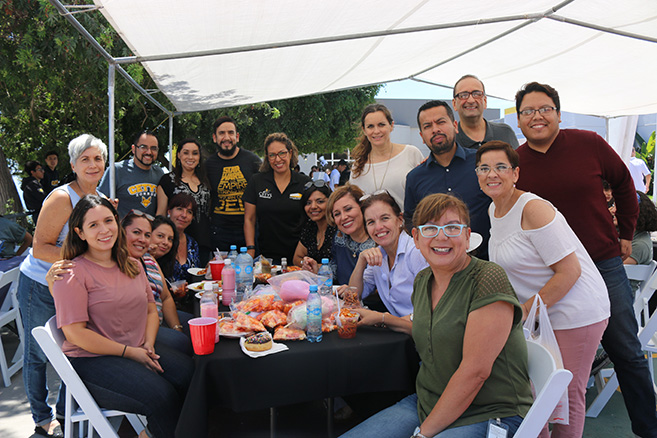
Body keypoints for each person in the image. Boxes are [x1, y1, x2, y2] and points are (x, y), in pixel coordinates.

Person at [514, 81, 657, 437]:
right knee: (546, 358)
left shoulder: (589, 144)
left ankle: (648, 428)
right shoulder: (515, 163)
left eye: (544, 109)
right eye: (528, 111)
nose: (537, 116)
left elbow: (625, 185)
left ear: (558, 114)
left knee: (626, 350)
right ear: (519, 119)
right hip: (550, 276)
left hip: (603, 264)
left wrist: (626, 234)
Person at [341, 193, 532, 438]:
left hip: (490, 412)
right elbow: (428, 328)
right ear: (416, 237)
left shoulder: (487, 278)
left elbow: (475, 372)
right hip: (427, 402)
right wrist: (381, 319)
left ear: (467, 235)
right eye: (430, 228)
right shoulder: (423, 280)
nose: (441, 237)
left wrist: (422, 435)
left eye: (452, 227)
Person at [476, 141, 610, 437]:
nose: (492, 174)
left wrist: (523, 311)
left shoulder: (533, 209)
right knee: (533, 393)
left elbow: (570, 271)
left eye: (500, 167)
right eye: (484, 168)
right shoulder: (493, 209)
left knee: (566, 393)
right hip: (540, 315)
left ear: (515, 173)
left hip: (575, 311)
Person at [50, 195, 194, 438]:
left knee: (190, 375)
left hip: (136, 346)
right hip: (93, 360)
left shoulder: (132, 264)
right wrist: (130, 352)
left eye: (108, 221)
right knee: (162, 397)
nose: (104, 230)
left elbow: (151, 309)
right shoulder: (72, 273)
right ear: (80, 233)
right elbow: (75, 334)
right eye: (93, 225)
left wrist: (148, 344)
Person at [17, 134, 107, 438]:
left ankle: (64, 410)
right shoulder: (61, 198)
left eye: (98, 159)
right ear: (73, 165)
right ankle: (42, 419)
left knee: (75, 350)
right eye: (85, 159)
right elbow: (40, 247)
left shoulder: (100, 197)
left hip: (74, 288)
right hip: (40, 285)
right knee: (37, 354)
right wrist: (84, 259)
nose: (92, 165)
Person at [404, 100, 492, 260]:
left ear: (455, 126)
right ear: (422, 136)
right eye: (427, 126)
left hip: (487, 259)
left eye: (441, 122)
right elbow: (410, 220)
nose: (435, 129)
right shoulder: (414, 178)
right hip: (439, 262)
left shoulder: (482, 163)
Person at [347, 191, 428, 317]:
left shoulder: (416, 252)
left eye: (385, 218)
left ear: (400, 220)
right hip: (397, 326)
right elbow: (354, 296)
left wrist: (383, 319)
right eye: (371, 222)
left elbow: (427, 313)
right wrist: (361, 261)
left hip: (419, 327)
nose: (378, 227)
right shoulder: (378, 254)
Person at [243, 132, 311, 264]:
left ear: (290, 153)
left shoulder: (304, 183)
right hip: (266, 258)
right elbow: (249, 219)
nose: (278, 159)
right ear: (267, 158)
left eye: (282, 153)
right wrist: (250, 249)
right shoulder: (257, 181)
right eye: (272, 155)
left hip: (298, 257)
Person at [349, 103, 424, 208]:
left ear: (391, 126)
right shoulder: (358, 167)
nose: (376, 131)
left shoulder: (411, 153)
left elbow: (425, 193)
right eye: (370, 126)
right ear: (364, 130)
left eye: (381, 125)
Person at [205, 116, 261, 251]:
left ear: (237, 136)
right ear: (214, 138)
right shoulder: (208, 165)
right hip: (219, 232)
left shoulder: (253, 161)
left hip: (250, 230)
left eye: (230, 133)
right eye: (221, 133)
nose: (226, 137)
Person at [156, 138, 211, 264]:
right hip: (176, 243)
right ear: (179, 155)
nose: (190, 157)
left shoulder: (206, 181)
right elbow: (160, 215)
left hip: (203, 243)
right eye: (186, 153)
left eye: (195, 153)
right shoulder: (167, 181)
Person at [98, 130, 164, 218]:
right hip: (122, 226)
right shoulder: (116, 170)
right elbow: (100, 201)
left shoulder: (159, 173)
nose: (149, 152)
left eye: (153, 148)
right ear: (133, 149)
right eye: (143, 147)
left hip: (151, 226)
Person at [323, 184, 375, 285]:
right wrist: (318, 270)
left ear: (362, 207)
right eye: (337, 214)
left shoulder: (379, 241)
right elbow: (335, 270)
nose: (343, 217)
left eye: (348, 209)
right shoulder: (339, 238)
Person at [452, 75, 519, 149]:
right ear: (454, 104)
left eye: (476, 94)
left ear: (485, 101)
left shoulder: (505, 133)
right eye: (463, 95)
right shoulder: (450, 140)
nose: (471, 100)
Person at [293, 180, 336, 268]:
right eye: (308, 203)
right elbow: (296, 258)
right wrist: (305, 263)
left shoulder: (339, 228)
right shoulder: (310, 227)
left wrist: (316, 267)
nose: (313, 207)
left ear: (331, 203)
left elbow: (343, 265)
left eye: (320, 201)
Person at [167, 193, 200, 284]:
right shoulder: (160, 241)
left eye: (189, 212)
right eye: (179, 209)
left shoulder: (192, 243)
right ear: (169, 212)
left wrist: (207, 268)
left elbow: (196, 276)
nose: (184, 215)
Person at [625, 191, 657, 265]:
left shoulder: (640, 245)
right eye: (613, 205)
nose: (612, 210)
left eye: (619, 208)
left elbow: (610, 268)